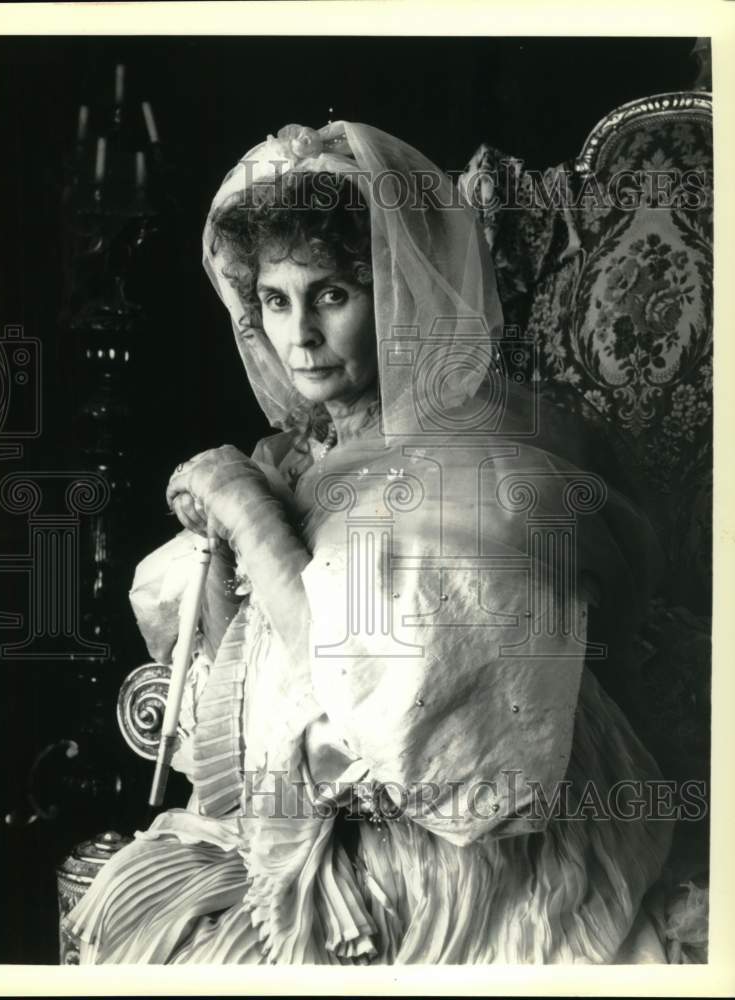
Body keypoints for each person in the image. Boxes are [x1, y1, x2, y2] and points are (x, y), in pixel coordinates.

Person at [65, 122, 674, 964]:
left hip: (462, 848)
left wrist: (245, 514)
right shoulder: (308, 457)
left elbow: (375, 704)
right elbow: (233, 684)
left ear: (396, 298)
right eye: (274, 301)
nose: (299, 336)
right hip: (312, 811)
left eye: (331, 295)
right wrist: (228, 524)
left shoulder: (483, 474)